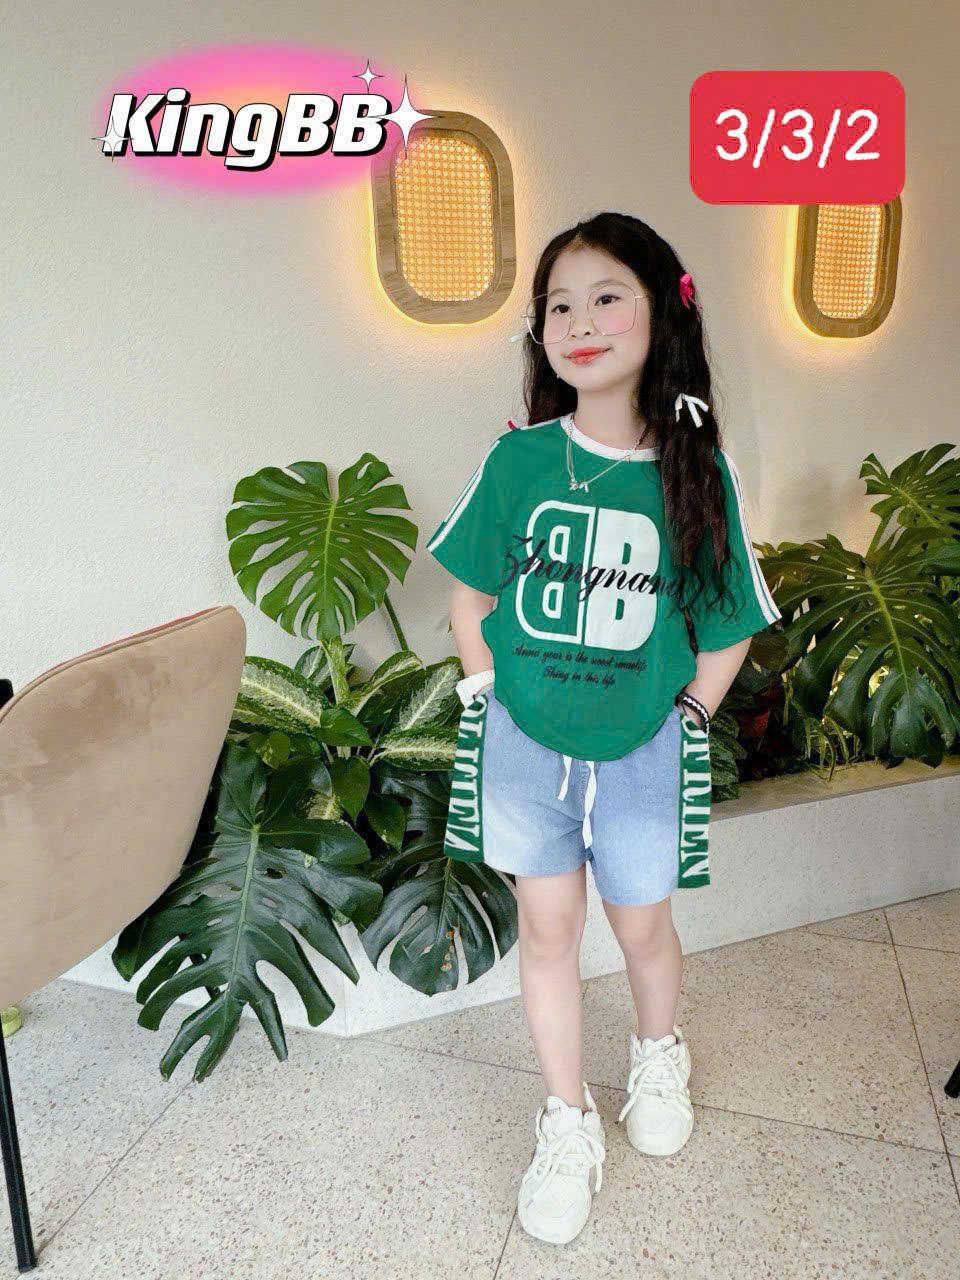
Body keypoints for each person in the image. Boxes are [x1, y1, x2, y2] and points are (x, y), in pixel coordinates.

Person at [425, 212, 782, 1246]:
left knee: (640, 927)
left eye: (606, 297)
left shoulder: (696, 472)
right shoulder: (518, 461)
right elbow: (468, 596)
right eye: (559, 306)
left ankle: (658, 1052)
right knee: (547, 931)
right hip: (525, 748)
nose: (579, 323)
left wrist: (687, 718)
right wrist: (487, 694)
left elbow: (729, 625)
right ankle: (566, 1116)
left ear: (663, 312)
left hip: (643, 754)